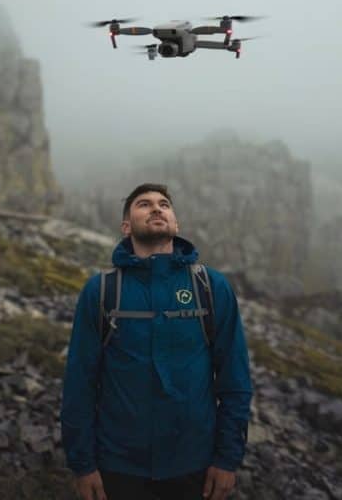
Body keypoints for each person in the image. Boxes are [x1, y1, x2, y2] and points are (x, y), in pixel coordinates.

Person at [61, 183, 254, 500]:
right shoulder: (101, 291)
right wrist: (83, 465)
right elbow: (79, 383)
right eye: (143, 204)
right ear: (126, 227)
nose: (156, 208)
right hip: (119, 469)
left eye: (164, 204)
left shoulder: (210, 286)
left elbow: (235, 379)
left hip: (194, 466)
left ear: (176, 224)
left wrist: (227, 459)